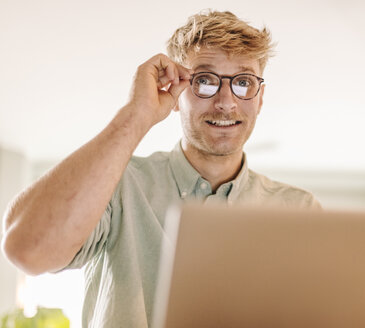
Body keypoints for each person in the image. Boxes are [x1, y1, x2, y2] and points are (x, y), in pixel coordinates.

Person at [1, 10, 320, 327]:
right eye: (205, 81)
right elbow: (28, 249)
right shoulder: (117, 185)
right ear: (177, 89)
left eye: (243, 82)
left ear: (260, 97)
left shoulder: (300, 210)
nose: (226, 102)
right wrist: (135, 115)